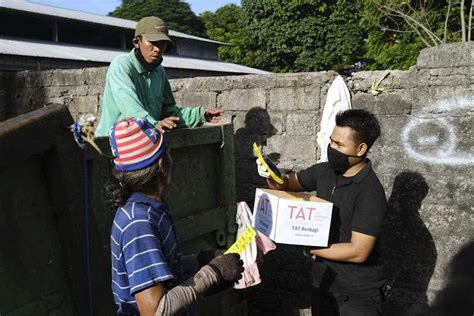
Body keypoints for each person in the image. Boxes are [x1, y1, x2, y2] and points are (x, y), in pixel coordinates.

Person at [256, 109, 388, 315]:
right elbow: (289, 183)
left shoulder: (369, 191)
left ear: (361, 148)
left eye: (339, 144)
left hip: (356, 293)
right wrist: (271, 173)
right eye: (332, 141)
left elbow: (358, 251)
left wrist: (311, 248)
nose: (331, 148)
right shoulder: (325, 171)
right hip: (324, 283)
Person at [108, 117, 243, 315]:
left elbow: (163, 268)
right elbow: (155, 311)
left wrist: (200, 261)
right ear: (162, 164)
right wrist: (211, 274)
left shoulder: (150, 208)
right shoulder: (139, 223)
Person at [95, 16, 223, 137]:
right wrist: (154, 124)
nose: (157, 48)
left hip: (144, 142)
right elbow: (130, 107)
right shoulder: (122, 65)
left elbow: (168, 111)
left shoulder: (159, 72)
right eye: (152, 42)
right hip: (113, 144)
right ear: (136, 42)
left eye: (162, 43)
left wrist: (199, 115)